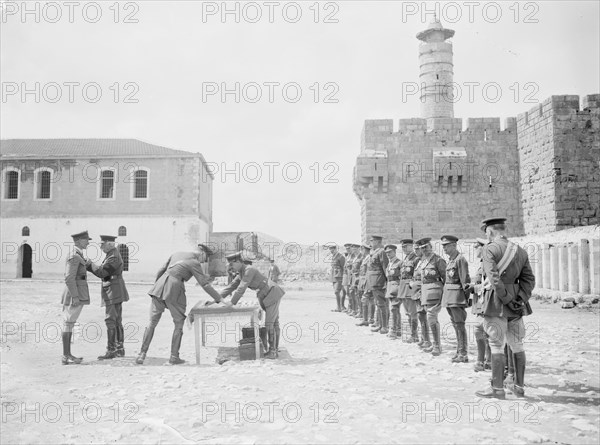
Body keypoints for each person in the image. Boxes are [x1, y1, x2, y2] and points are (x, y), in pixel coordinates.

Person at [475, 217, 535, 399]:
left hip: (496, 303)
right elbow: (529, 280)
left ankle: (497, 389)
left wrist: (507, 299)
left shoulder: (489, 249)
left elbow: (493, 279)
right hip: (517, 305)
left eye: (486, 232)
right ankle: (518, 386)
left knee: (496, 345)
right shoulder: (520, 250)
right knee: (517, 344)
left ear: (490, 231)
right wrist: (520, 299)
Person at [136, 244, 223, 365]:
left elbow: (161, 270)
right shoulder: (194, 262)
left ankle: (142, 354)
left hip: (159, 286)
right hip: (175, 288)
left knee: (152, 322)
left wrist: (158, 286)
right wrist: (218, 298)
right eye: (206, 258)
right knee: (178, 323)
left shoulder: (176, 254)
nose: (204, 262)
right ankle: (174, 357)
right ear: (202, 253)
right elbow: (204, 284)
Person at [220, 251, 285, 359]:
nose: (231, 267)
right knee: (273, 323)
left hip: (271, 293)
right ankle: (274, 349)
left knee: (270, 323)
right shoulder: (241, 273)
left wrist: (231, 303)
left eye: (232, 264)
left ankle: (273, 351)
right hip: (264, 294)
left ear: (239, 261)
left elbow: (242, 287)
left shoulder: (249, 270)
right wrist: (216, 299)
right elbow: (231, 287)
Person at [87, 235, 129, 360]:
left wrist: (90, 265)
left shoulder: (113, 257)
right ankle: (119, 349)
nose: (100, 246)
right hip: (114, 288)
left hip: (113, 290)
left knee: (110, 320)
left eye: (102, 244)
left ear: (109, 244)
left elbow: (102, 273)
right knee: (116, 320)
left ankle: (111, 350)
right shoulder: (112, 254)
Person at [60, 230, 92, 365]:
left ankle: (67, 354)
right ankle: (66, 355)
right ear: (78, 241)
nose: (88, 242)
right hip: (74, 294)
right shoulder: (74, 255)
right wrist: (75, 296)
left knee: (70, 324)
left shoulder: (78, 254)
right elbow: (68, 278)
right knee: (68, 323)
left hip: (77, 292)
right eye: (86, 240)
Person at [441, 235, 470, 363]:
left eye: (446, 246)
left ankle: (463, 353)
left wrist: (465, 298)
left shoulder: (460, 259)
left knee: (460, 325)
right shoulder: (451, 260)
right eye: (443, 246)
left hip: (457, 297)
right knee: (455, 325)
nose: (444, 248)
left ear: (454, 245)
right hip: (449, 297)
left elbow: (465, 281)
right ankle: (459, 351)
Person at [416, 237, 446, 356]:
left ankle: (437, 346)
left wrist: (444, 294)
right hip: (425, 293)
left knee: (431, 317)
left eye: (426, 247)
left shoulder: (438, 260)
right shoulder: (423, 261)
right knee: (430, 318)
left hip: (435, 292)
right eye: (422, 248)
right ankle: (434, 344)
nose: (424, 250)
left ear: (431, 247)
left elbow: (446, 277)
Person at [469, 238, 492, 372]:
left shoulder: (488, 263)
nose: (474, 249)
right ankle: (484, 360)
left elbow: (488, 282)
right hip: (480, 301)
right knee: (480, 330)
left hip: (486, 302)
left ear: (483, 247)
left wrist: (476, 287)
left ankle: (485, 360)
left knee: (483, 330)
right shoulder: (482, 263)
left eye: (476, 246)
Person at [397, 239, 420, 343]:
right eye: (403, 247)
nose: (404, 248)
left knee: (413, 312)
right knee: (408, 313)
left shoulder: (416, 259)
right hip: (403, 288)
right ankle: (413, 334)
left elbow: (417, 275)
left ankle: (414, 335)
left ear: (412, 246)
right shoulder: (405, 259)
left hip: (411, 288)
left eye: (406, 246)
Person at [366, 235, 389, 334]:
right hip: (374, 281)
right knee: (378, 304)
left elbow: (385, 267)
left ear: (377, 241)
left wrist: (387, 281)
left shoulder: (381, 252)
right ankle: (380, 324)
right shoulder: (374, 252)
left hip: (379, 281)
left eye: (372, 241)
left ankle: (384, 326)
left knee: (381, 304)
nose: (370, 243)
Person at [384, 244, 402, 339]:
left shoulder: (399, 263)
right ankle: (398, 329)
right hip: (390, 287)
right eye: (386, 253)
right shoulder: (389, 263)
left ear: (395, 252)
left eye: (390, 252)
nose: (388, 254)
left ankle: (393, 330)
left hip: (397, 288)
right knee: (395, 309)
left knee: (394, 309)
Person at [356, 244, 373, 327]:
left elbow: (368, 272)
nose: (361, 251)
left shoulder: (369, 258)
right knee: (367, 300)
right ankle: (367, 318)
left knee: (367, 299)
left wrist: (366, 283)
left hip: (368, 282)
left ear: (365, 250)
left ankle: (368, 319)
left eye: (362, 249)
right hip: (363, 281)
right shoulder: (365, 259)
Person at [327, 244, 346, 312]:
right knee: (336, 292)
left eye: (332, 250)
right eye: (330, 250)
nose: (331, 251)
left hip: (339, 277)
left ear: (335, 249)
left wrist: (344, 277)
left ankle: (340, 307)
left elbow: (344, 267)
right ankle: (339, 307)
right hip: (334, 276)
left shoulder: (341, 257)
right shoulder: (333, 257)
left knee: (337, 291)